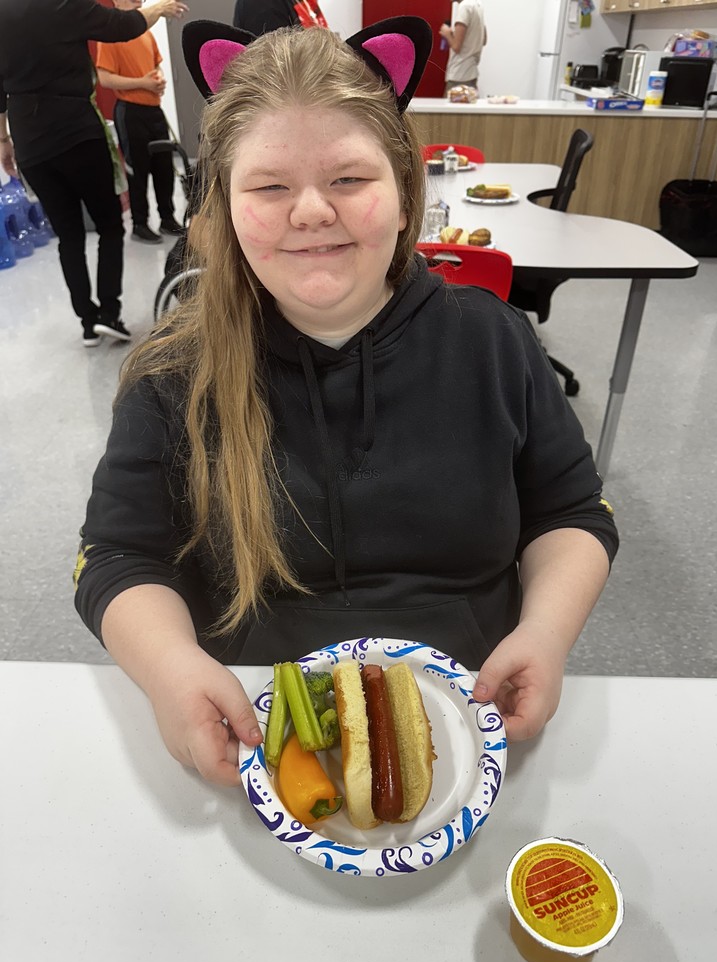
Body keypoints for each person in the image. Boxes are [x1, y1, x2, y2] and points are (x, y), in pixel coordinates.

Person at [74, 18, 618, 787]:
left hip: (474, 725)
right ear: (224, 206)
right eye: (268, 186)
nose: (310, 212)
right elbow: (117, 556)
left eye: (349, 180)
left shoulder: (495, 341)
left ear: (403, 194)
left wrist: (546, 634)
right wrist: (169, 672)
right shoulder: (174, 371)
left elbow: (572, 514)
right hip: (256, 726)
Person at [0, 0, 187, 346]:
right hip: (75, 131)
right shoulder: (61, 4)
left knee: (68, 236)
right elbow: (121, 25)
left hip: (29, 140)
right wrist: (157, 10)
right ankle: (109, 314)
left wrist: (4, 140)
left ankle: (87, 322)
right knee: (109, 226)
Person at [96, 0, 185, 245]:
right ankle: (140, 223)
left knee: (164, 166)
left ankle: (167, 218)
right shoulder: (110, 36)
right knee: (138, 169)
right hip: (130, 112)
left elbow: (156, 64)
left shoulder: (144, 31)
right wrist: (143, 84)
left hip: (154, 111)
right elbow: (104, 78)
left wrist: (158, 79)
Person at [439, 0, 486, 95]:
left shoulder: (464, 7)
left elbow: (456, 46)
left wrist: (447, 33)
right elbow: (484, 39)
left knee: (450, 109)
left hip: (459, 74)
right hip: (471, 73)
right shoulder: (477, 5)